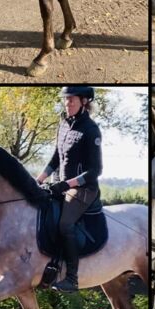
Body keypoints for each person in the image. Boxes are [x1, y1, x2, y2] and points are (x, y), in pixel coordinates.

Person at [37, 86, 102, 292]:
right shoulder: (63, 124)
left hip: (83, 190)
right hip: (60, 185)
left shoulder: (91, 130)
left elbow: (95, 171)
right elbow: (56, 158)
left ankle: (72, 279)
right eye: (66, 100)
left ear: (84, 101)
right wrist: (39, 179)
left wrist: (67, 184)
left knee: (65, 224)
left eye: (72, 100)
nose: (67, 103)